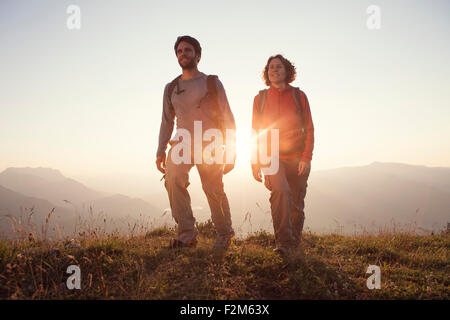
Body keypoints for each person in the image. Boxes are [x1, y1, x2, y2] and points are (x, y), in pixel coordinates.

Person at [156, 36, 236, 249]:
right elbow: (166, 120)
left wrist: (231, 150)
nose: (183, 54)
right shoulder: (171, 87)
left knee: (213, 188)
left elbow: (227, 116)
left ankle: (224, 233)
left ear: (198, 55)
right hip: (181, 143)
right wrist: (160, 150)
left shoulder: (212, 82)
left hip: (209, 142)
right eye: (179, 51)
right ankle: (187, 234)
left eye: (188, 50)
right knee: (172, 180)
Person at [251, 54, 314, 255]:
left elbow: (309, 129)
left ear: (287, 71)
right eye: (271, 68)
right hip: (271, 158)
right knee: (280, 192)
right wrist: (255, 161)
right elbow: (255, 132)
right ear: (267, 73)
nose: (275, 70)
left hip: (297, 158)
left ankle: (294, 243)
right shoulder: (260, 99)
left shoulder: (299, 96)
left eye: (279, 67)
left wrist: (306, 158)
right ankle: (283, 243)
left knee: (296, 203)